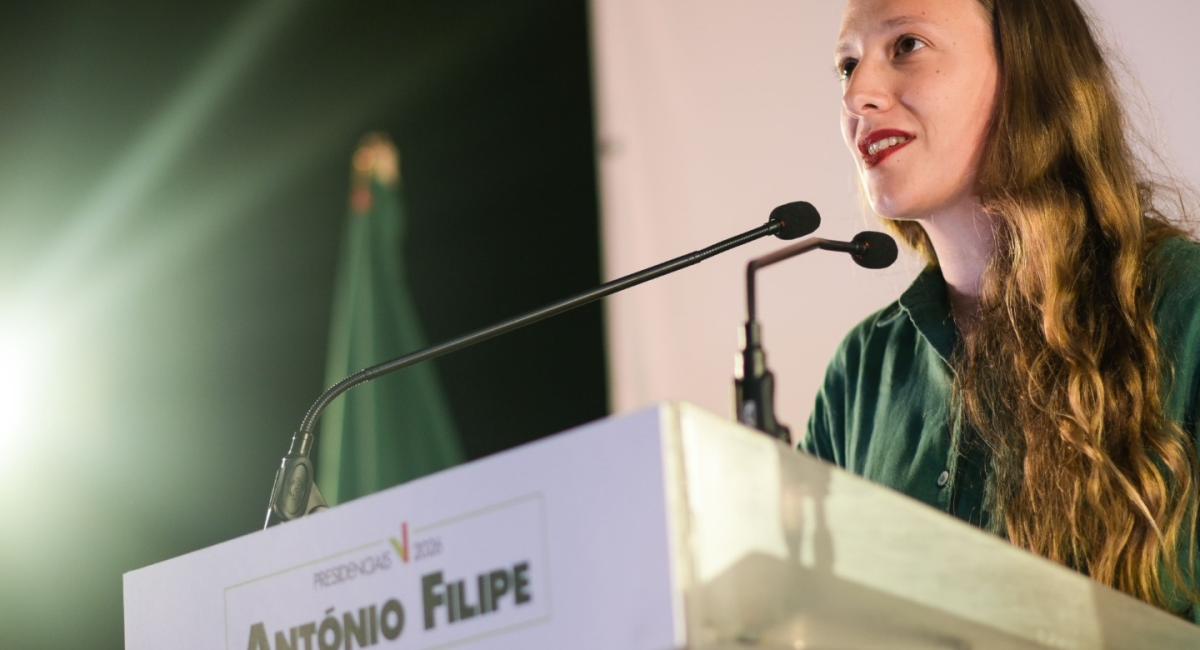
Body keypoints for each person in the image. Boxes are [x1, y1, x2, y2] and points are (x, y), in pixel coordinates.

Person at [803, 0, 1200, 621]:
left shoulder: (1186, 309)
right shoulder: (860, 374)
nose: (858, 95)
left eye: (906, 46)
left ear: (1028, 68)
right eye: (847, 66)